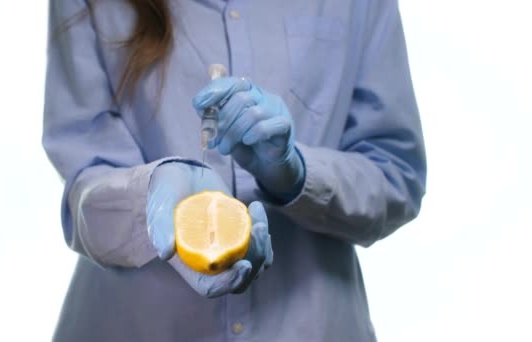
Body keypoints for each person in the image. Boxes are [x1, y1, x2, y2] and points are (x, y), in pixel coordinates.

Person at [42, 0, 426, 341]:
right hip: (133, 324)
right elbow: (85, 183)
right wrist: (149, 197)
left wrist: (297, 175)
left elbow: (396, 174)